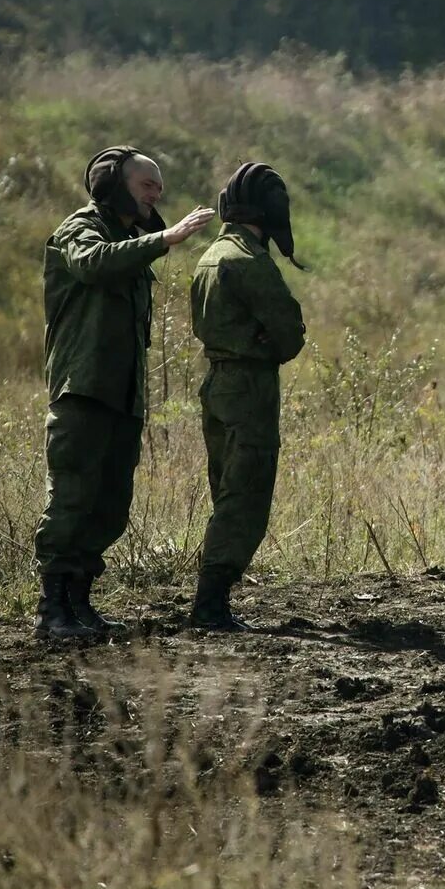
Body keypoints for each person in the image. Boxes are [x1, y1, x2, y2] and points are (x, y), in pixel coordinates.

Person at [34, 147, 214, 642]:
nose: (156, 194)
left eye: (158, 186)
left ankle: (79, 602)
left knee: (109, 504)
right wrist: (165, 237)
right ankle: (52, 610)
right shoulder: (81, 229)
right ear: (116, 185)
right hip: (84, 390)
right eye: (146, 185)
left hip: (122, 396)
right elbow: (91, 264)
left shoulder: (129, 241)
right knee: (72, 497)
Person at [188, 163, 308, 632]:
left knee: (226, 490)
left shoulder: (210, 256)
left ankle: (211, 601)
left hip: (216, 383)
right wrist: (266, 342)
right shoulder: (250, 262)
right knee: (246, 495)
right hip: (250, 388)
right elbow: (290, 335)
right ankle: (210, 605)